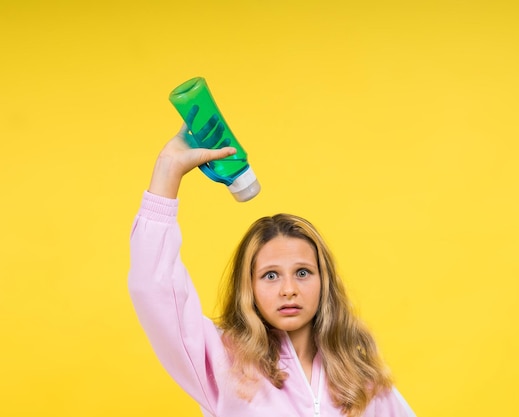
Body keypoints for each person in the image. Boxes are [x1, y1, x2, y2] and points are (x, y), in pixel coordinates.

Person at [128, 125, 417, 417]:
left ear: (323, 282)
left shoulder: (362, 382)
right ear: (248, 287)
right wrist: (168, 171)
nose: (289, 289)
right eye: (270, 275)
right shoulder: (223, 365)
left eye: (303, 273)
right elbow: (156, 291)